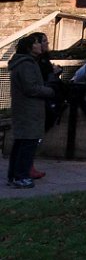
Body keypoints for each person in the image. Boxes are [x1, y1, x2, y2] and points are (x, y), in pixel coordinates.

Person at [7, 33, 57, 189]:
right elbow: (30, 88)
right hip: (29, 109)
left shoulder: (26, 63)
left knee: (21, 143)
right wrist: (49, 90)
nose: (40, 45)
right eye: (36, 43)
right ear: (29, 48)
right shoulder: (26, 64)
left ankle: (14, 175)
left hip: (27, 109)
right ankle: (21, 177)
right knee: (27, 144)